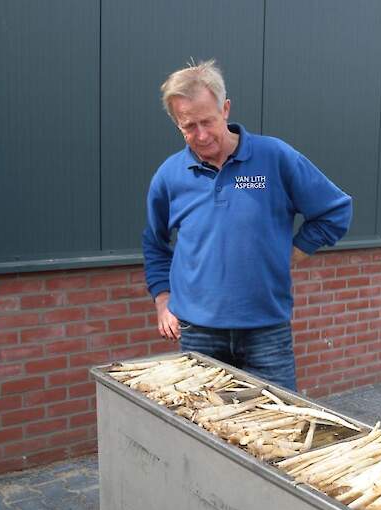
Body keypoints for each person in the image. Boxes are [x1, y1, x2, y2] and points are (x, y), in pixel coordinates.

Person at [142, 60, 352, 391]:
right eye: (188, 126)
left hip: (265, 330)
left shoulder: (275, 157)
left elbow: (336, 210)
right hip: (198, 333)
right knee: (203, 431)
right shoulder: (169, 175)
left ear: (225, 109)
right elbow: (155, 243)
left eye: (208, 121)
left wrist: (291, 253)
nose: (201, 135)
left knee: (281, 427)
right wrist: (161, 299)